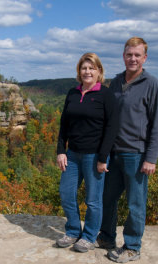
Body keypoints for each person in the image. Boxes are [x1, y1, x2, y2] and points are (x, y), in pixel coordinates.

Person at [96, 37, 158, 263]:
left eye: (137, 55)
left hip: (136, 155)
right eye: (129, 54)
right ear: (123, 56)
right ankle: (107, 237)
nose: (132, 58)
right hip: (113, 154)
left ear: (144, 58)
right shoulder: (115, 82)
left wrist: (151, 158)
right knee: (107, 198)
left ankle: (132, 246)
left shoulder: (152, 84)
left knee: (135, 203)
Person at [56, 52, 118, 253]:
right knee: (66, 193)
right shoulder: (72, 93)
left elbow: (111, 128)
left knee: (93, 199)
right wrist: (60, 151)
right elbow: (64, 124)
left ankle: (90, 236)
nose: (87, 71)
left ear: (99, 71)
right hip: (72, 154)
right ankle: (73, 230)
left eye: (92, 68)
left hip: (94, 156)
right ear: (79, 71)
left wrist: (103, 158)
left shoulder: (106, 95)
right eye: (84, 68)